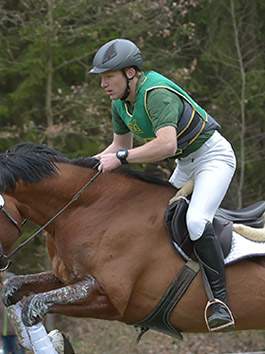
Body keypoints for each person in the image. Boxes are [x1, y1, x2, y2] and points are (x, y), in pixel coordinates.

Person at [90, 38, 237, 332]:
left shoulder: (155, 94)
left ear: (130, 73)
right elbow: (119, 145)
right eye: (102, 78)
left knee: (195, 221)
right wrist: (83, 165)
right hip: (186, 164)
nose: (103, 84)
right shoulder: (120, 104)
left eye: (109, 77)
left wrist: (121, 158)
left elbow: (166, 145)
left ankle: (220, 302)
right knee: (156, 220)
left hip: (213, 158)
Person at [0, 273, 27, 354]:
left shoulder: (20, 298)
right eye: (4, 282)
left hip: (17, 335)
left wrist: (22, 334)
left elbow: (25, 316)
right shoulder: (1, 298)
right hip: (5, 335)